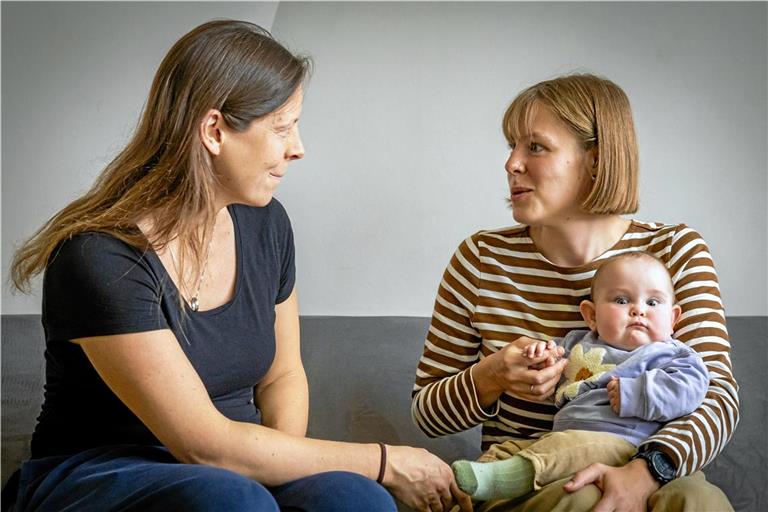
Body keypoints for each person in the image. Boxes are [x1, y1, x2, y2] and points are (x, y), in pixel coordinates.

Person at [6, 20, 471, 512]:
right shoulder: (100, 257)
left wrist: (284, 473)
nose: (298, 147)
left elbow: (282, 375)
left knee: (351, 497)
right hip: (100, 473)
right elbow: (203, 446)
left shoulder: (266, 225)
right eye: (282, 127)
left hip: (238, 472)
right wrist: (383, 461)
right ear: (214, 131)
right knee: (232, 500)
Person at [411, 73, 738, 511]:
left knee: (697, 500)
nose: (511, 163)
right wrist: (492, 376)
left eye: (536, 146)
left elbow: (716, 397)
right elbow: (426, 415)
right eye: (511, 146)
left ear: (596, 161)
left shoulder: (674, 250)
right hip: (527, 478)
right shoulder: (481, 259)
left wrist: (645, 472)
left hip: (654, 465)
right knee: (583, 499)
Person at [451, 251, 709, 502]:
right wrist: (539, 358)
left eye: (653, 302)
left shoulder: (672, 354)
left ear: (673, 318)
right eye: (621, 300)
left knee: (568, 448)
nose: (638, 310)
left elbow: (690, 389)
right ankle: (469, 491)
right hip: (561, 438)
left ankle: (507, 479)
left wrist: (636, 393)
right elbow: (548, 365)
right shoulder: (577, 344)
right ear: (592, 315)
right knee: (507, 451)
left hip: (627, 444)